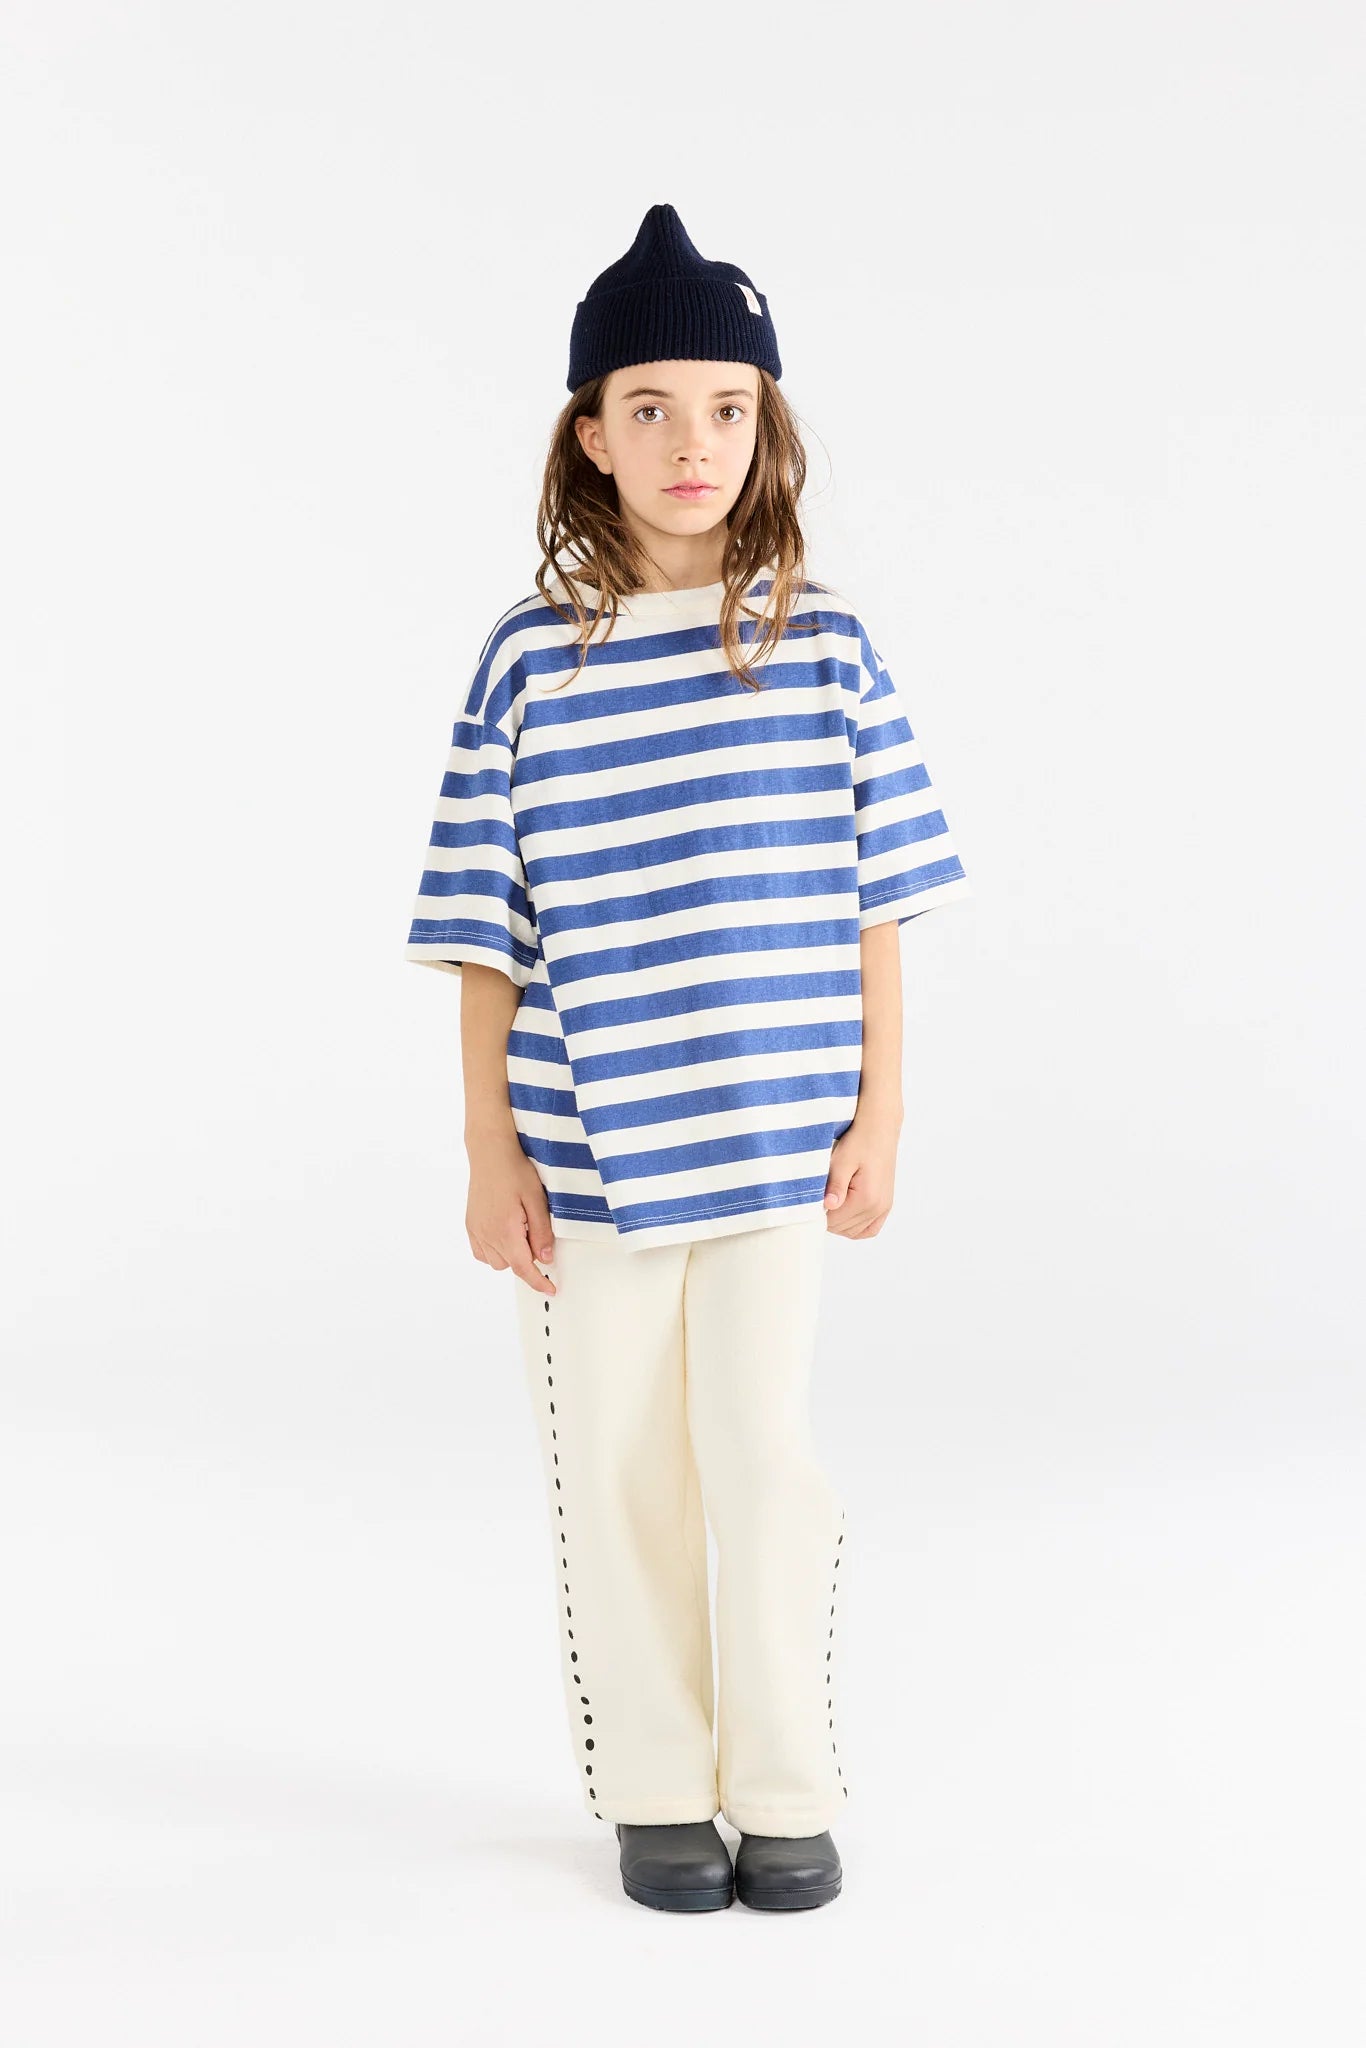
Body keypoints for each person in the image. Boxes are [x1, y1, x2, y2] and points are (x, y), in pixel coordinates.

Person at [404, 202, 972, 1913]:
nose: (688, 444)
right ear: (590, 432)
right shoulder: (531, 660)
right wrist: (488, 1149)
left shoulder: (823, 646)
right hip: (587, 1158)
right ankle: (656, 1785)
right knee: (618, 1473)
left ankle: (782, 1783)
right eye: (647, 407)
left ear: (763, 425)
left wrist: (881, 1110)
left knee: (764, 1461)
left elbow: (875, 899)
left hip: (777, 1142)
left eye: (724, 408)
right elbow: (484, 926)